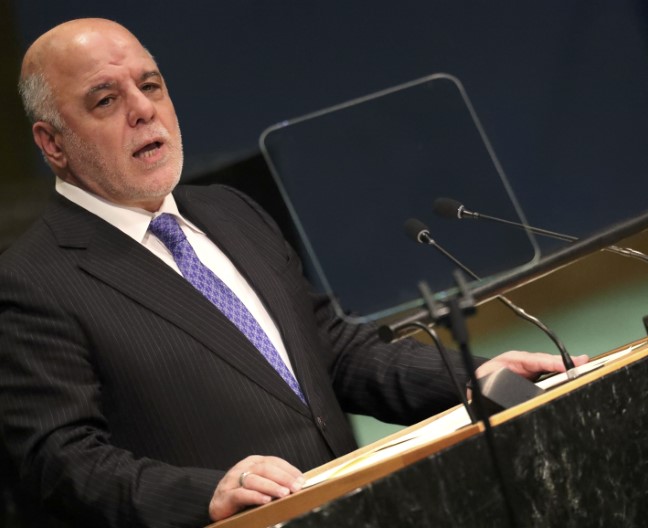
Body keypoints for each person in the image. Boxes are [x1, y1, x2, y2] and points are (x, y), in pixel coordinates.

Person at [0, 18, 587, 527]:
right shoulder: (31, 282)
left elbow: (334, 353)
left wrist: (472, 377)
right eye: (106, 100)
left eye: (150, 85)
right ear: (52, 144)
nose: (143, 109)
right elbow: (61, 461)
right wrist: (209, 495)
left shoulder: (231, 211)